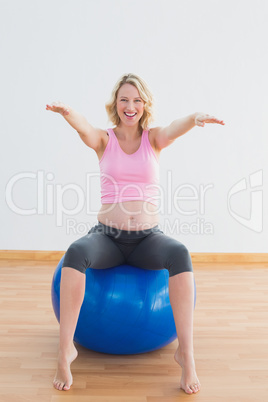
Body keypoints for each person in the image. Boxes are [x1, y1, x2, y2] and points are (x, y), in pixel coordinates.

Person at [46, 73, 224, 394]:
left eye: (137, 100)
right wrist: (67, 113)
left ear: (144, 105)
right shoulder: (104, 140)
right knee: (75, 252)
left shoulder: (153, 139)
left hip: (146, 239)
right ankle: (65, 352)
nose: (131, 106)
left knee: (180, 253)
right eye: (125, 99)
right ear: (116, 103)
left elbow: (173, 128)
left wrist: (195, 118)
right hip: (107, 237)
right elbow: (84, 127)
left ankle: (186, 354)